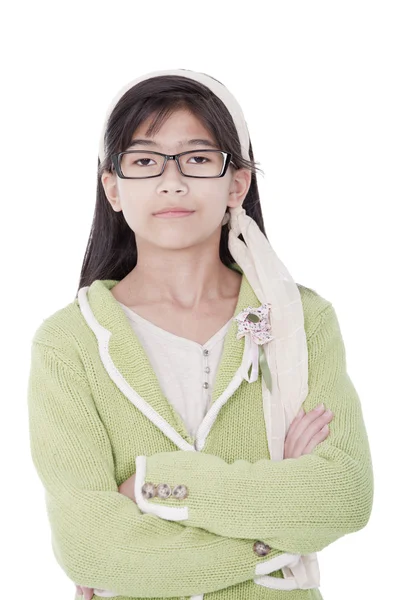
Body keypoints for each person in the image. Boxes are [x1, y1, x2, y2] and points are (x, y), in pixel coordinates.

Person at [27, 69, 374, 600]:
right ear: (113, 187)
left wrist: (152, 484)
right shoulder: (68, 343)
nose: (172, 181)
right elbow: (91, 549)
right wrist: (279, 543)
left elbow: (343, 495)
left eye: (197, 158)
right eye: (144, 161)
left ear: (237, 182)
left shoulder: (301, 320)